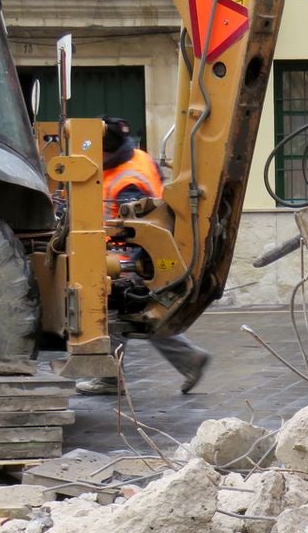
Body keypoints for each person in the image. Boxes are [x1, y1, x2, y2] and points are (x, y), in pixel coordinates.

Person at [75, 116, 211, 396]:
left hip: (137, 256)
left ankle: (109, 378)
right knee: (145, 315)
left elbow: (133, 227)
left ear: (106, 149)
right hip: (150, 253)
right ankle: (190, 359)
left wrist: (126, 267)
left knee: (108, 310)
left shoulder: (128, 180)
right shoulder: (137, 158)